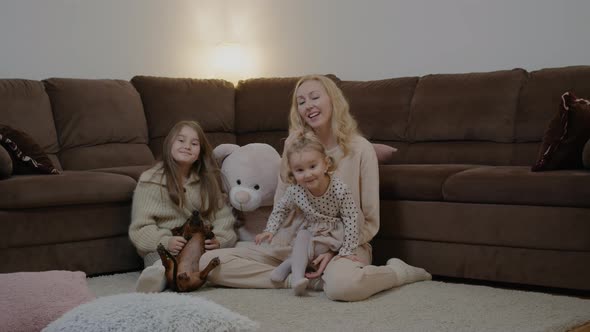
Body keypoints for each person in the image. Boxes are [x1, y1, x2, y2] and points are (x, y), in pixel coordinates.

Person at [200, 75, 430, 301]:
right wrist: (286, 242)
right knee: (209, 263)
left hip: (347, 243)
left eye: (314, 97)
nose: (308, 105)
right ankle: (301, 280)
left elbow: (370, 221)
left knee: (344, 287)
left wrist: (333, 251)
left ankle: (398, 273)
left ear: (333, 100)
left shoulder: (361, 149)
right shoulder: (294, 147)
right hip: (296, 244)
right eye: (301, 102)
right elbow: (284, 206)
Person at [129, 120, 237, 293]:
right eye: (181, 140)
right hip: (164, 249)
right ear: (169, 143)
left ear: (200, 152)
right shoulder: (150, 179)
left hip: (198, 248)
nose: (187, 146)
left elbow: (224, 218)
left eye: (194, 144)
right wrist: (165, 241)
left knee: (222, 260)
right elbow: (140, 228)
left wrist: (219, 240)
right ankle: (158, 277)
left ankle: (189, 274)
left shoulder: (207, 182)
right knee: (159, 262)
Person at [255, 131, 359, 296]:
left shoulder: (339, 189)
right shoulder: (295, 191)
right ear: (293, 173)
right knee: (302, 235)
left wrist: (348, 250)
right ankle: (293, 274)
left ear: (325, 164)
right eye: (299, 170)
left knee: (305, 243)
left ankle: (292, 270)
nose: (307, 174)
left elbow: (351, 217)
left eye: (313, 166)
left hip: (332, 234)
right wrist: (270, 230)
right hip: (311, 231)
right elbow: (280, 209)